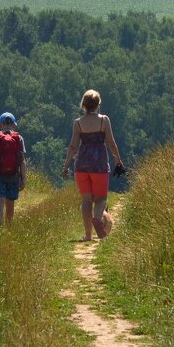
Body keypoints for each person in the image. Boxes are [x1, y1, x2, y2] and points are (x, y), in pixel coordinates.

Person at [62, 89, 125, 240]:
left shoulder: (78, 123)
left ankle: (88, 234)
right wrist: (117, 159)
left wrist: (66, 166)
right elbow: (110, 142)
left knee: (86, 201)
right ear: (98, 104)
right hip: (99, 165)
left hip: (82, 166)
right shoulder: (104, 120)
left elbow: (73, 146)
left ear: (83, 104)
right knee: (101, 199)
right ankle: (97, 218)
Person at [0, 111, 27, 227]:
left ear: (0, 124)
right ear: (14, 125)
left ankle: (0, 227)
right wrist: (23, 178)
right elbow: (22, 160)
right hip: (13, 175)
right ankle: (9, 227)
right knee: (10, 202)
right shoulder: (18, 138)